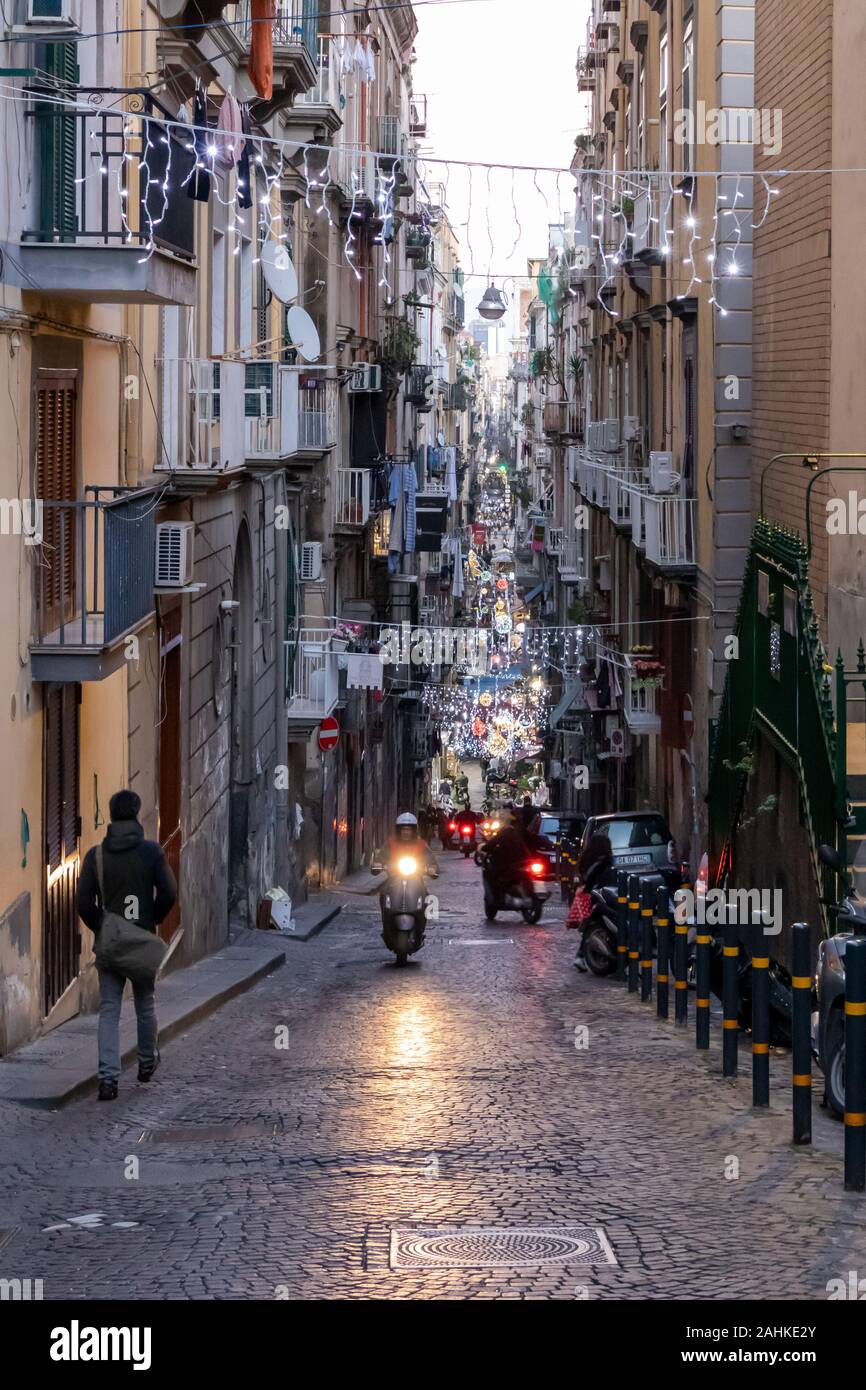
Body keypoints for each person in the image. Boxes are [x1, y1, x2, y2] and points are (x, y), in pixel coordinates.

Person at [76, 789, 177, 1101]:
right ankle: (147, 1063)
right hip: (141, 939)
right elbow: (169, 893)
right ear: (135, 813)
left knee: (109, 1010)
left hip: (111, 944)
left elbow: (83, 903)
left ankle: (108, 1079)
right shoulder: (150, 852)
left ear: (111, 815)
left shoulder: (97, 856)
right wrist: (150, 924)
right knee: (145, 1003)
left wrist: (104, 928)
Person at [572, 833, 613, 971]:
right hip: (595, 897)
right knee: (594, 925)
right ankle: (582, 955)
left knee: (591, 926)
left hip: (587, 896)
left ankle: (581, 955)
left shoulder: (587, 859)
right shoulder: (603, 861)